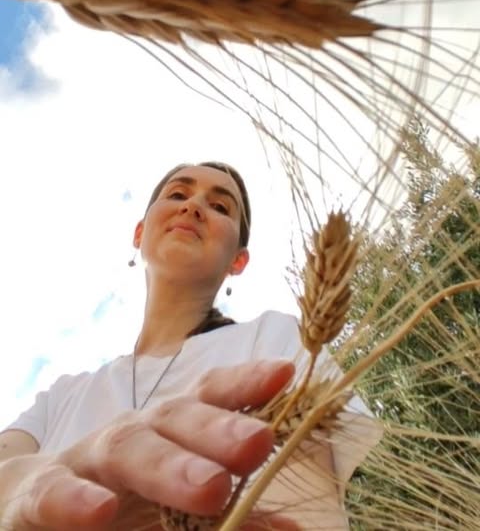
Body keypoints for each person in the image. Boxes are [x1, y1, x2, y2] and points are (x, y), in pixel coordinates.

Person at [0, 162, 381, 530]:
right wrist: (19, 493)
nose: (193, 206)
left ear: (238, 261)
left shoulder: (273, 338)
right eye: (178, 193)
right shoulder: (61, 396)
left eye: (219, 207)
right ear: (139, 232)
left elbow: (308, 502)